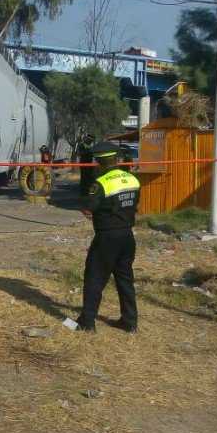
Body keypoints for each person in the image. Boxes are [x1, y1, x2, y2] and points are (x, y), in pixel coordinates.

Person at [77, 141, 141, 333]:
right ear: (116, 159)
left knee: (94, 278)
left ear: (99, 162)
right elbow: (134, 204)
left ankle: (87, 322)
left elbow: (88, 207)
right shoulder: (132, 179)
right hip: (127, 237)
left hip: (107, 237)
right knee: (125, 279)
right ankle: (129, 322)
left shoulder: (100, 184)